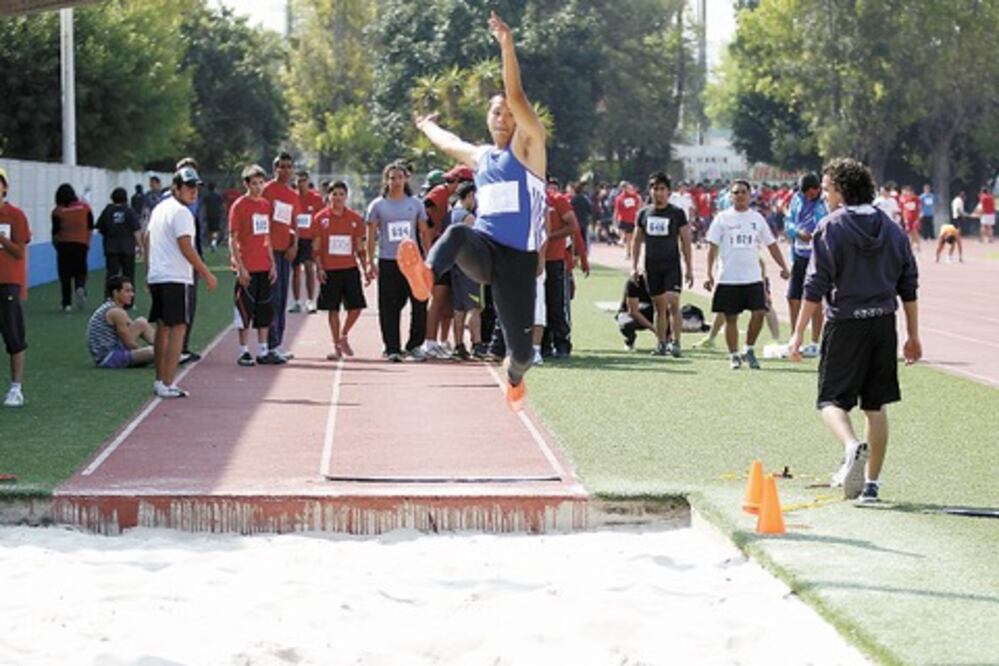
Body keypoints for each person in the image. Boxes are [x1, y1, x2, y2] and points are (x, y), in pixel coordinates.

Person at [406, 11, 547, 410]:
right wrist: (425, 127)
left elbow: (516, 97)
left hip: (518, 263)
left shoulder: (530, 148)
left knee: (520, 353)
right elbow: (449, 143)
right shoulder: (483, 157)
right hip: (483, 249)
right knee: (456, 232)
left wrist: (507, 44)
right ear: (487, 118)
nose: (502, 118)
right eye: (495, 112)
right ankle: (425, 275)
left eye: (508, 113)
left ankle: (516, 378)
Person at [789, 157, 920, 504]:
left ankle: (850, 447)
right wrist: (913, 334)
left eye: (829, 189)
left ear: (842, 191)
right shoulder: (893, 229)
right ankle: (872, 485)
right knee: (875, 406)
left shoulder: (830, 227)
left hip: (846, 323)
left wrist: (798, 332)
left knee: (830, 401)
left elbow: (815, 285)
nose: (826, 196)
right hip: (882, 325)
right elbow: (909, 284)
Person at [144, 166, 217, 398]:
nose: (193, 191)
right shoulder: (182, 212)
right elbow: (186, 246)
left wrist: (149, 270)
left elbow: (146, 239)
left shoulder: (159, 209)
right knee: (178, 328)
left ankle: (160, 380)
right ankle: (167, 382)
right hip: (175, 277)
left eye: (195, 187)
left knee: (163, 328)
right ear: (175, 188)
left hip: (158, 275)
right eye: (188, 187)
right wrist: (206, 272)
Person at [704, 179, 790, 370]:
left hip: (752, 277)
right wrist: (709, 273)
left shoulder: (757, 218)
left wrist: (783, 266)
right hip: (728, 277)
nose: (740, 195)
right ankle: (734, 355)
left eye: (743, 192)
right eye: (736, 192)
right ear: (731, 196)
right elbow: (712, 247)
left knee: (760, 312)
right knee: (730, 318)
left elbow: (771, 244)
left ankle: (748, 349)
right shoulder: (722, 218)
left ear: (750, 195)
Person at [365, 162, 430, 362]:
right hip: (388, 261)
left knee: (420, 302)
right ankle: (392, 347)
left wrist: (427, 257)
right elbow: (371, 235)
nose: (396, 181)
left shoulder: (416, 204)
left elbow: (423, 231)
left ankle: (415, 345)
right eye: (392, 178)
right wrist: (370, 261)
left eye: (400, 177)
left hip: (413, 263)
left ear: (406, 179)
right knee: (389, 306)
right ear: (386, 180)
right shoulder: (377, 205)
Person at [631, 171, 694, 357]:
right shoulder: (643, 213)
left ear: (669, 191)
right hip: (652, 266)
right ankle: (661, 343)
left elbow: (685, 240)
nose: (657, 193)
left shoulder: (677, 213)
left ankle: (676, 343)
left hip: (672, 265)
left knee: (673, 302)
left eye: (662, 189)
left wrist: (689, 267)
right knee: (659, 306)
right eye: (654, 188)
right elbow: (636, 240)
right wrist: (634, 266)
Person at [228, 164, 278, 366]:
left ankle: (263, 349)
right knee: (244, 309)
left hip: (264, 266)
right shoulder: (239, 206)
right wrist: (240, 267)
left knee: (264, 308)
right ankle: (243, 350)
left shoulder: (266, 205)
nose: (258, 187)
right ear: (246, 184)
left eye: (261, 182)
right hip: (246, 266)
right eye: (254, 183)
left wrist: (272, 263)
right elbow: (232, 238)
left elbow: (267, 236)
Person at [314, 181, 367, 360]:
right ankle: (336, 345)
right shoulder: (321, 218)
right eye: (334, 194)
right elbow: (317, 247)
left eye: (341, 194)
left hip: (350, 268)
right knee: (333, 309)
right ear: (328, 195)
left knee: (357, 306)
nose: (337, 198)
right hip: (330, 270)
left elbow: (360, 246)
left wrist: (366, 267)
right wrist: (319, 268)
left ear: (346, 196)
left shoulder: (354, 218)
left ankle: (343, 335)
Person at [784, 173, 828, 357]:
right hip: (799, 254)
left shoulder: (825, 201)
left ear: (817, 189)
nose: (807, 196)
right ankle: (795, 339)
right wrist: (797, 232)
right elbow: (788, 222)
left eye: (810, 193)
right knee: (793, 297)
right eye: (804, 194)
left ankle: (815, 342)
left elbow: (829, 222)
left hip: (818, 256)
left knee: (815, 300)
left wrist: (815, 233)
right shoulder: (797, 198)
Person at [262, 153, 301, 360]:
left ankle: (277, 344)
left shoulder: (292, 194)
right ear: (275, 168)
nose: (285, 170)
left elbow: (295, 223)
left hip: (286, 252)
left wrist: (294, 245)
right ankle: (269, 345)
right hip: (269, 252)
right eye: (281, 167)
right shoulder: (267, 191)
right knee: (273, 297)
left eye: (289, 166)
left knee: (282, 297)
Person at [0, 168, 30, 407]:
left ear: (5, 187)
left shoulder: (15, 215)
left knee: (14, 337)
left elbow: (19, 252)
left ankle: (16, 388)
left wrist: (1, 238)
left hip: (8, 282)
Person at [86, 275, 155, 368]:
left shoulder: (111, 307)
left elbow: (134, 326)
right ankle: (168, 352)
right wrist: (142, 351)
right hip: (109, 357)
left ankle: (167, 348)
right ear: (115, 293)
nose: (132, 294)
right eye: (127, 291)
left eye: (132, 291)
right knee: (152, 352)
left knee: (141, 322)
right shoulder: (116, 312)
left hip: (113, 351)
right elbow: (129, 343)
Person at [448, 181, 482, 360]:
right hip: (469, 267)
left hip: (454, 266)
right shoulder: (468, 217)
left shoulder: (451, 214)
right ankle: (477, 344)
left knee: (459, 308)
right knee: (474, 308)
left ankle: (459, 345)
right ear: (469, 196)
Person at [51, 183, 94, 312]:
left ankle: (67, 303)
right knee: (81, 270)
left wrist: (56, 245)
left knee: (65, 275)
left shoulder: (57, 211)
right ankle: (80, 287)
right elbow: (90, 226)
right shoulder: (85, 207)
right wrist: (87, 242)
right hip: (81, 243)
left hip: (64, 245)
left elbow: (55, 231)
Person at [95, 187, 142, 291]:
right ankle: (129, 301)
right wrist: (140, 246)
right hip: (127, 248)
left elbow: (99, 227)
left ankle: (109, 298)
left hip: (111, 247)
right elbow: (136, 230)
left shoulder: (107, 210)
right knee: (128, 275)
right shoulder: (129, 211)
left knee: (112, 275)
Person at [290, 170, 324, 313]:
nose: (301, 183)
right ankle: (297, 301)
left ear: (308, 181)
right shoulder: (291, 197)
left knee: (310, 268)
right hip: (295, 238)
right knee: (296, 270)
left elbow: (321, 218)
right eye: (299, 180)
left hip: (310, 239)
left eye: (304, 180)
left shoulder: (316, 198)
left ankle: (310, 300)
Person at [616, 274, 656, 352]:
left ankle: (667, 342)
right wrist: (655, 330)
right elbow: (633, 312)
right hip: (631, 314)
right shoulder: (634, 282)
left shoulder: (661, 281)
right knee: (625, 325)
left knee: (667, 314)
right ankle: (630, 339)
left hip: (651, 312)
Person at [613, 182, 641, 259]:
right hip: (623, 219)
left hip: (632, 219)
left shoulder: (635, 196)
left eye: (627, 188)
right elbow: (617, 210)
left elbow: (638, 206)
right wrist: (615, 218)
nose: (626, 189)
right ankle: (622, 239)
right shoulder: (619, 198)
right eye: (624, 188)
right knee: (622, 232)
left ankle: (629, 253)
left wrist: (638, 215)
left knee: (630, 238)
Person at [201, 182, 225, 253]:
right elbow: (223, 206)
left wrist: (203, 215)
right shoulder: (218, 196)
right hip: (217, 215)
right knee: (216, 230)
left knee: (210, 230)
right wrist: (223, 213)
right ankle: (213, 243)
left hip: (209, 215)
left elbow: (203, 207)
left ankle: (211, 243)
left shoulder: (206, 197)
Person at [898, 185, 921, 252]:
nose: (908, 193)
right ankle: (910, 246)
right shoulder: (904, 199)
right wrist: (904, 218)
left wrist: (918, 218)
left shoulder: (916, 199)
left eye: (909, 192)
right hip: (907, 218)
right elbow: (903, 209)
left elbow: (919, 209)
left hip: (914, 218)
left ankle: (917, 245)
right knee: (909, 232)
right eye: (907, 192)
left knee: (915, 231)